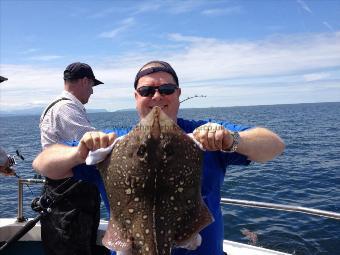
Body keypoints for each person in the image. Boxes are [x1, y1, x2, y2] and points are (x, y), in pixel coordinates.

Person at [33, 60, 285, 255]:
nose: (156, 96)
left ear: (178, 93)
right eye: (146, 90)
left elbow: (274, 145)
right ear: (136, 97)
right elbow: (44, 163)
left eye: (166, 89)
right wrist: (79, 152)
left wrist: (231, 139)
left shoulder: (206, 135)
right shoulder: (113, 145)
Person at [38, 62, 105, 255]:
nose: (92, 92)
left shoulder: (54, 106)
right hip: (71, 198)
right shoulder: (67, 109)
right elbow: (96, 146)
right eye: (92, 85)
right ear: (85, 81)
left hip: (62, 193)